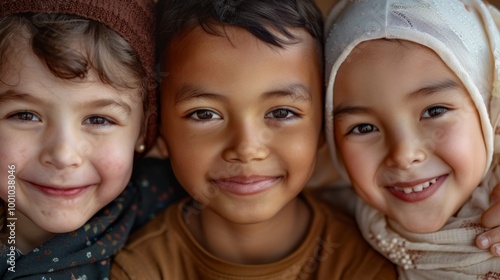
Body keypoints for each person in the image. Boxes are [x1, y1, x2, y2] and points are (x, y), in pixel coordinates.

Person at [111, 0, 397, 279]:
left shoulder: (360, 264)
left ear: (323, 125)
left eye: (282, 112)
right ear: (158, 129)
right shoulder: (140, 269)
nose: (246, 149)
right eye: (205, 114)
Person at [0, 1, 184, 279]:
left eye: (99, 120)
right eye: (25, 115)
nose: (63, 155)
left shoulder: (173, 214)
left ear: (143, 129)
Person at [324, 0, 500, 278]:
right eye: (364, 128)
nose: (404, 154)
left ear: (489, 111)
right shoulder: (331, 235)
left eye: (435, 111)